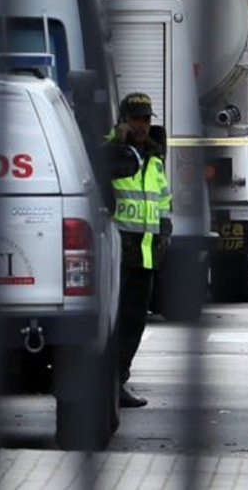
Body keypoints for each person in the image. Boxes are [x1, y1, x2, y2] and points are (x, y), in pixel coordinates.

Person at [108, 92, 173, 408]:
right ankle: (107, 384)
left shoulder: (154, 156)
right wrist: (117, 146)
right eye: (136, 118)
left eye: (147, 118)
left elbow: (161, 200)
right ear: (123, 120)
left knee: (134, 323)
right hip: (117, 252)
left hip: (145, 253)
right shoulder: (110, 151)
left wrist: (165, 232)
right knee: (113, 323)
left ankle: (119, 381)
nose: (143, 124)